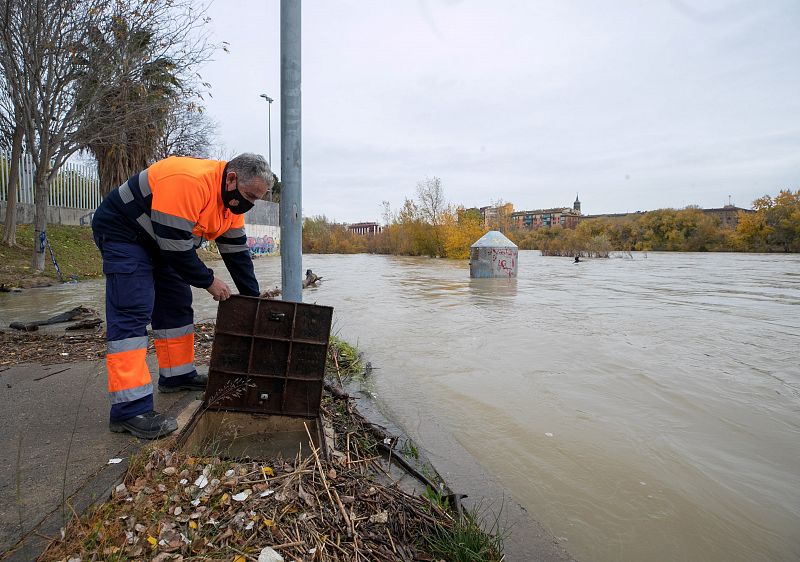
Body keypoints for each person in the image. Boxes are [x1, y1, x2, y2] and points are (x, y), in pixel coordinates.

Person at [91, 154, 273, 439]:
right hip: (124, 233)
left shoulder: (232, 206)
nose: (249, 203)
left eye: (256, 199)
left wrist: (253, 299)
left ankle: (177, 376)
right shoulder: (189, 181)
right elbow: (176, 247)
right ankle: (129, 410)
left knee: (176, 307)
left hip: (161, 241)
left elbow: (238, 256)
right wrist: (209, 281)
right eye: (249, 196)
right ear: (232, 179)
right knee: (132, 311)